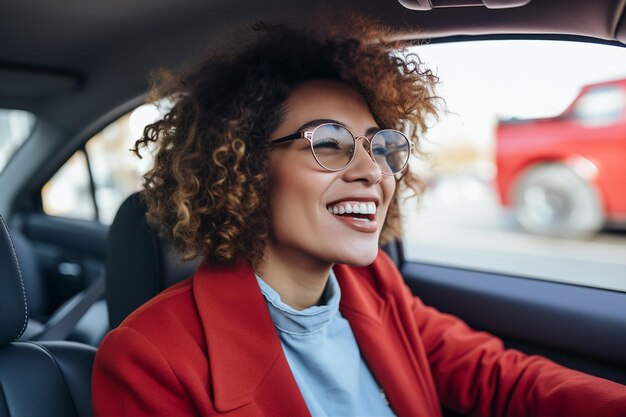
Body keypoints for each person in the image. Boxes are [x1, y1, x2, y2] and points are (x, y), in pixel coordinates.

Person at [92, 18, 626, 417]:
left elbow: (501, 377)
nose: (375, 172)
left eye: (383, 147)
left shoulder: (374, 286)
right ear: (244, 167)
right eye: (328, 143)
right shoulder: (149, 358)